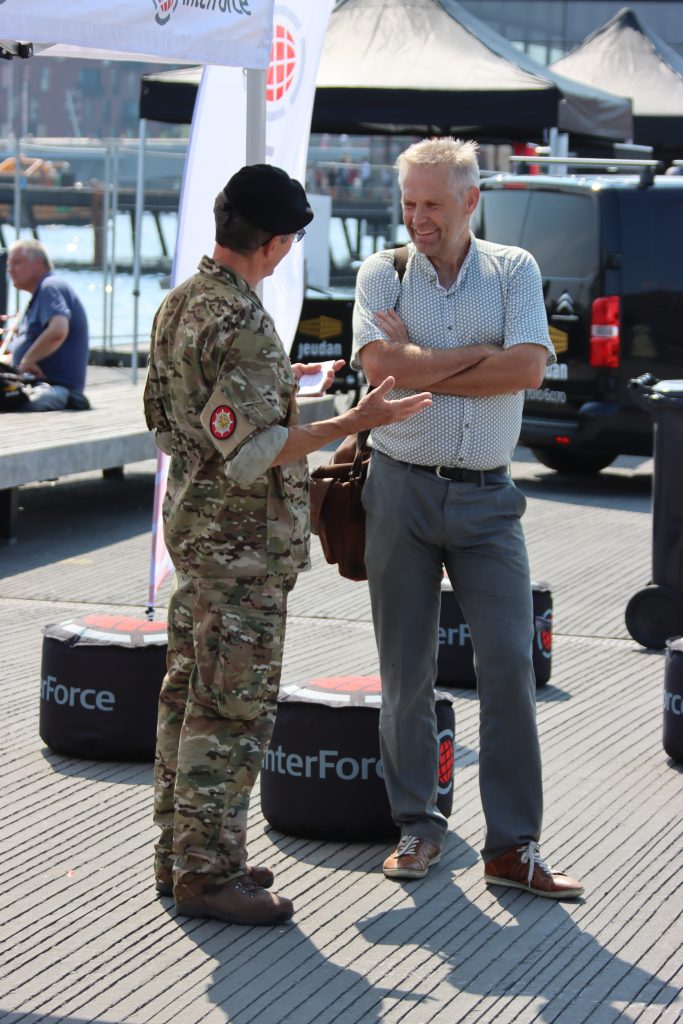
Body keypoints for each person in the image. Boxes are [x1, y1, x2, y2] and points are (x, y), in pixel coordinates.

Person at [143, 163, 432, 927]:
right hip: (240, 549)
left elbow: (184, 424)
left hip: (198, 535)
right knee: (230, 710)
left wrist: (280, 395)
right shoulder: (241, 322)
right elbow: (253, 449)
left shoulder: (183, 304)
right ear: (273, 242)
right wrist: (353, 421)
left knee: (186, 696)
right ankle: (209, 875)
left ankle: (184, 854)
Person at [352, 137, 584, 900]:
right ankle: (417, 826)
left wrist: (421, 358)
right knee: (404, 670)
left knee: (510, 667)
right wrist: (469, 358)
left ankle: (512, 847)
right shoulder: (378, 273)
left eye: (432, 204)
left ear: (469, 202)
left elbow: (527, 367)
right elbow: (379, 370)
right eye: (408, 203)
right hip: (398, 489)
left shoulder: (513, 269)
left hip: (489, 500)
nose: (416, 218)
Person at [5, 239, 89, 411]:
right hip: (35, 383)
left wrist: (28, 360)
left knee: (17, 402)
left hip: (55, 387)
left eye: (16, 263)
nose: (10, 270)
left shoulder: (50, 286)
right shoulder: (42, 292)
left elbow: (58, 330)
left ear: (37, 263)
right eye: (8, 264)